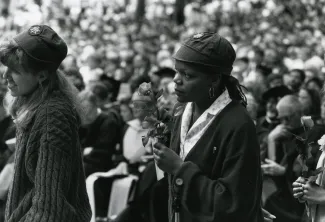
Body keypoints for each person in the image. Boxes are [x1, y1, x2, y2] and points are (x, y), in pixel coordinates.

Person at [150, 32, 263, 222]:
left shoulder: (238, 125)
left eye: (188, 75)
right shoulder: (181, 109)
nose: (176, 80)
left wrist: (179, 168)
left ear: (215, 80)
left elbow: (235, 203)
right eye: (176, 71)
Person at [0, 25, 91, 221]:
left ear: (41, 75)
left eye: (15, 70)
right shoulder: (36, 104)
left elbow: (50, 209)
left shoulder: (52, 115)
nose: (5, 75)